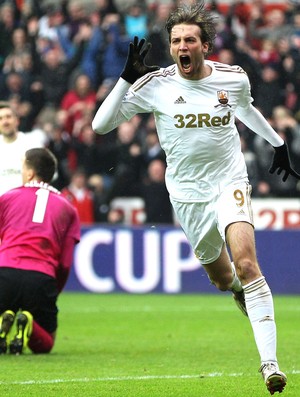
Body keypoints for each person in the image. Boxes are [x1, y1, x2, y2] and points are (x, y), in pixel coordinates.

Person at [92, 2, 300, 394]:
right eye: (175, 41)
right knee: (223, 278)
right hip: (187, 195)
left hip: (229, 180)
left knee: (247, 263)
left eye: (189, 39)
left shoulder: (233, 78)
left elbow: (246, 109)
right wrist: (125, 78)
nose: (181, 46)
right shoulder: (155, 84)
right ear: (170, 47)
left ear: (205, 45)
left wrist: (278, 143)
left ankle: (270, 364)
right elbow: (100, 125)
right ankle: (238, 291)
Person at [0, 148, 80, 355]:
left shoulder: (7, 198)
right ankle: (28, 325)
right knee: (46, 343)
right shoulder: (68, 208)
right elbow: (65, 264)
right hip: (41, 278)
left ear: (29, 173)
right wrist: (53, 291)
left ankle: (3, 322)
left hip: (5, 272)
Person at [0, 101, 45, 196]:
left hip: (26, 204)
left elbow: (46, 176)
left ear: (17, 120)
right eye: (0, 118)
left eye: (8, 117)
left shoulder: (32, 145)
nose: (5, 122)